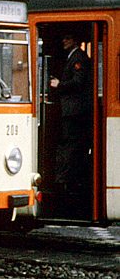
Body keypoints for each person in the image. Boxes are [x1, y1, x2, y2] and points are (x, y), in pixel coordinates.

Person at [49, 32, 93, 210]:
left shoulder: (78, 57)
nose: (63, 41)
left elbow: (78, 82)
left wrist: (59, 84)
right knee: (67, 145)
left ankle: (65, 184)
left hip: (74, 111)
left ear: (74, 39)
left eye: (67, 38)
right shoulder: (73, 56)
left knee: (69, 145)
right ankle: (65, 182)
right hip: (71, 110)